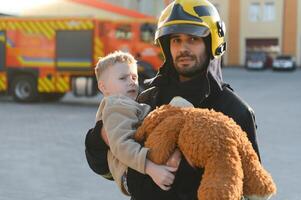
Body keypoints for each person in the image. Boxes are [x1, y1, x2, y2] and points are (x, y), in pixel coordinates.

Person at [85, 0, 261, 199]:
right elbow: (109, 170)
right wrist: (99, 138)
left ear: (213, 42)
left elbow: (250, 188)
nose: (183, 48)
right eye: (176, 40)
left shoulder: (234, 110)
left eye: (192, 39)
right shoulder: (149, 97)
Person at [93, 50, 183, 195]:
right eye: (123, 78)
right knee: (178, 107)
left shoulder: (127, 103)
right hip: (129, 172)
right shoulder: (115, 105)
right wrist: (151, 169)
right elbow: (121, 145)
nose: (131, 83)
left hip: (135, 166)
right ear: (103, 87)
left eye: (134, 77)